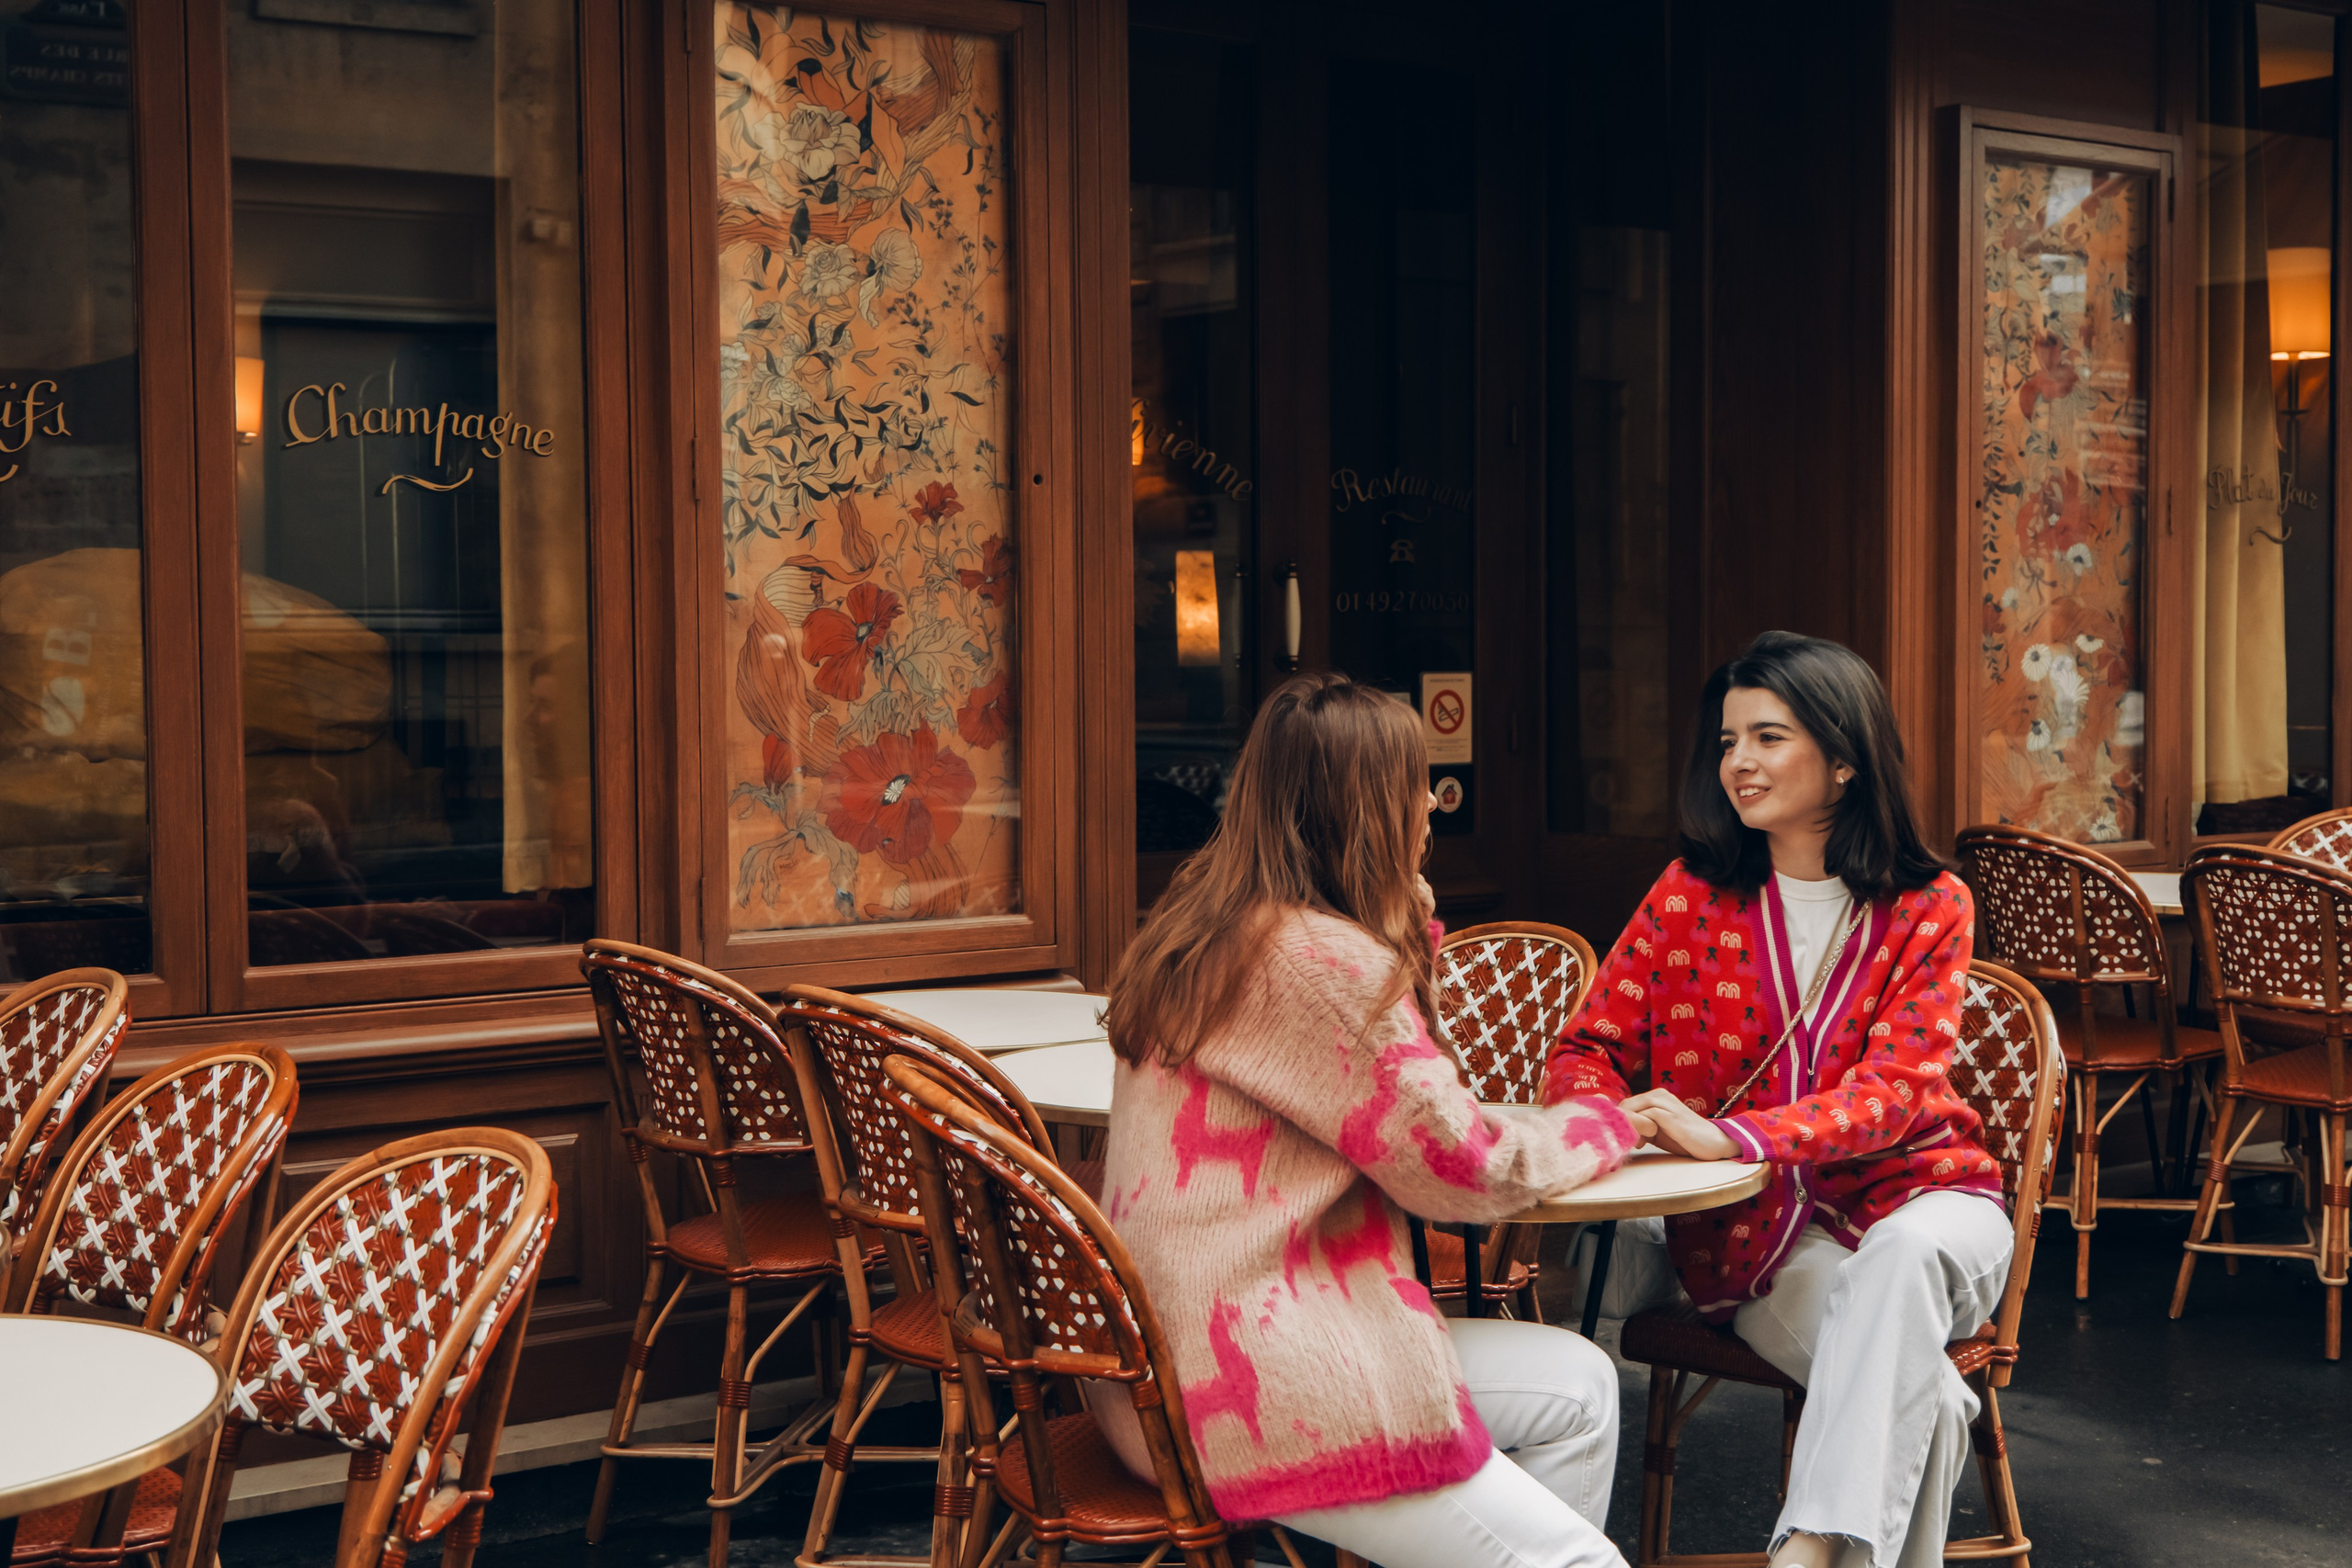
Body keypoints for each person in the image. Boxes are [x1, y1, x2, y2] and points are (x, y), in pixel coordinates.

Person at [1099, 672, 1639, 1568]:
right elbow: (1464, 1169)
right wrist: (1605, 1125)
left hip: (1170, 1367)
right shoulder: (1316, 960)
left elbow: (1407, 1103)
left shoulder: (1203, 925)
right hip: (1264, 1387)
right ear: (1369, 806)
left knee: (1580, 1383)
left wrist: (1397, 912)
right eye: (1414, 782)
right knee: (1583, 1563)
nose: (1431, 801)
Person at [1546, 630, 2009, 1568]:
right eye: (1726, 742)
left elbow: (1893, 1096)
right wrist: (1611, 1118)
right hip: (1761, 1240)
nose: (1738, 764)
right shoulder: (1689, 898)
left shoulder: (1929, 906)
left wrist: (1727, 1138)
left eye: (1767, 737)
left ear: (1842, 759)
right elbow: (1584, 1048)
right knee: (1934, 1407)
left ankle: (1802, 1549)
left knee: (1903, 1255)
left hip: (1933, 1201)